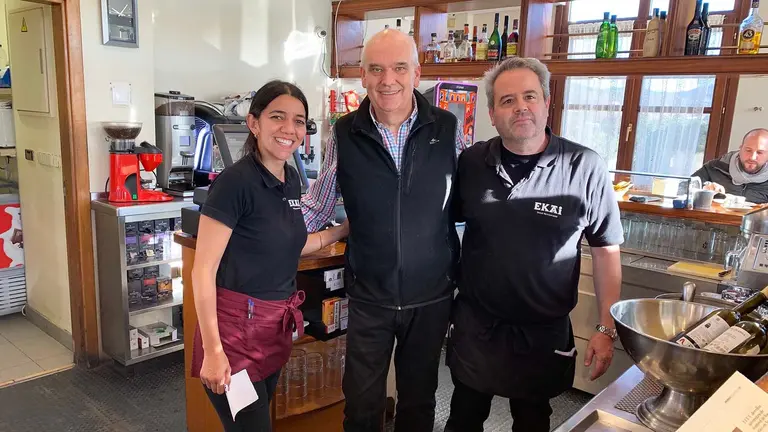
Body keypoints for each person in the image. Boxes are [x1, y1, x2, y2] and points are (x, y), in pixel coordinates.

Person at [444, 57, 624, 432]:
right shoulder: (472, 162)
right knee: (462, 418)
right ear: (492, 113)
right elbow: (439, 225)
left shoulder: (584, 166)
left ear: (546, 101)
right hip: (478, 326)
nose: (520, 106)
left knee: (532, 422)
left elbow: (606, 251)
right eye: (507, 100)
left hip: (542, 332)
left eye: (529, 96)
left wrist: (605, 328)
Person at [301, 29, 466, 432]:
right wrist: (264, 231)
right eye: (376, 69)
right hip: (369, 296)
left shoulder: (447, 128)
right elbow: (318, 203)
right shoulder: (344, 132)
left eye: (398, 68)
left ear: (416, 72)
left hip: (431, 297)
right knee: (360, 405)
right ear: (362, 74)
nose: (387, 79)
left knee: (418, 403)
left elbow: (471, 204)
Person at [190, 80, 348, 432]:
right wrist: (215, 351)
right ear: (254, 123)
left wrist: (341, 231)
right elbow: (202, 271)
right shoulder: (234, 183)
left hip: (272, 329)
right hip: (233, 337)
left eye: (298, 121)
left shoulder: (290, 179)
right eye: (278, 117)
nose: (289, 129)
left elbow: (291, 243)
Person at [692, 128, 768, 203]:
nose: (752, 157)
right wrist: (705, 187)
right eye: (748, 150)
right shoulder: (715, 167)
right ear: (740, 148)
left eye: (760, 152)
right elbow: (685, 188)